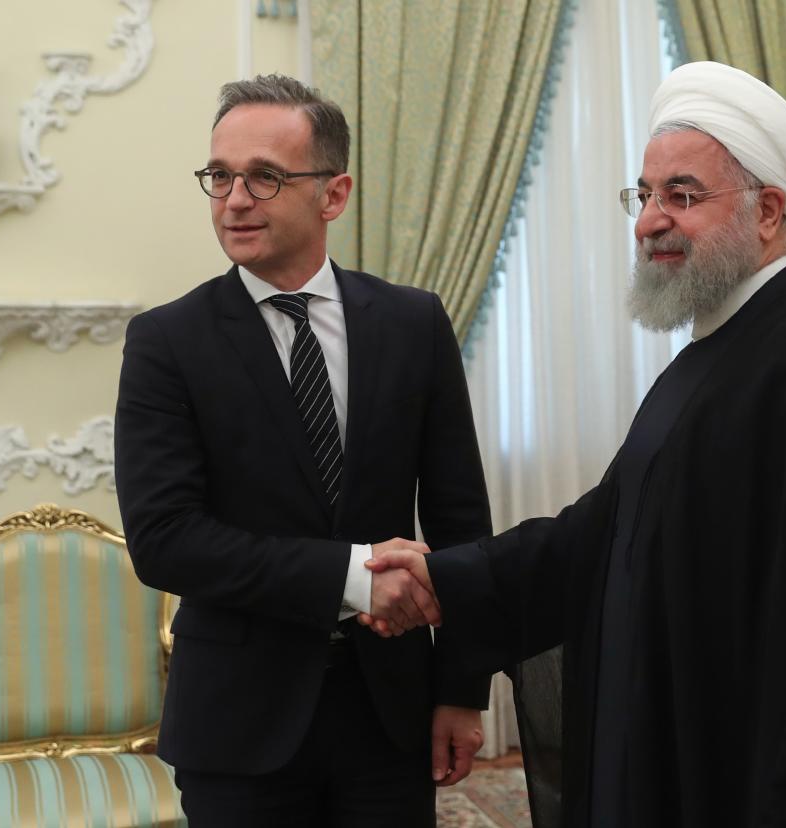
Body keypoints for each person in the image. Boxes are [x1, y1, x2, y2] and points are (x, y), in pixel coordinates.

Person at [363, 61, 786, 828]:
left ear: (770, 211)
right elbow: (603, 532)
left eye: (682, 195)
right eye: (644, 195)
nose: (649, 220)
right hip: (689, 744)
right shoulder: (720, 352)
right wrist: (443, 575)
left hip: (757, 779)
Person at [114, 73, 493, 827]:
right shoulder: (166, 343)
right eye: (219, 176)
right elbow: (164, 542)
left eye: (264, 176)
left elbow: (461, 522)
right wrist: (351, 577)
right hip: (237, 724)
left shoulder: (414, 324)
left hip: (389, 715)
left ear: (334, 193)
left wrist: (461, 689)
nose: (234, 199)